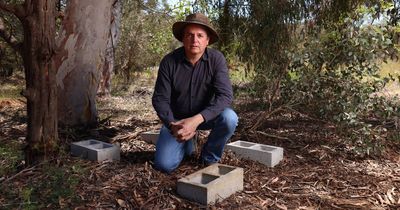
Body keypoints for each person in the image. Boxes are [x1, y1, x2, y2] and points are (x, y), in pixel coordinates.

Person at [152, 13, 238, 173]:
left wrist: (196, 120)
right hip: (177, 121)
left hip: (205, 116)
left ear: (208, 40)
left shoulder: (216, 59)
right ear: (182, 38)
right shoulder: (169, 62)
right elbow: (160, 99)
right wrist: (172, 125)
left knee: (229, 118)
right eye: (189, 35)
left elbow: (225, 96)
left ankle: (209, 158)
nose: (194, 40)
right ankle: (186, 142)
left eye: (200, 35)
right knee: (164, 165)